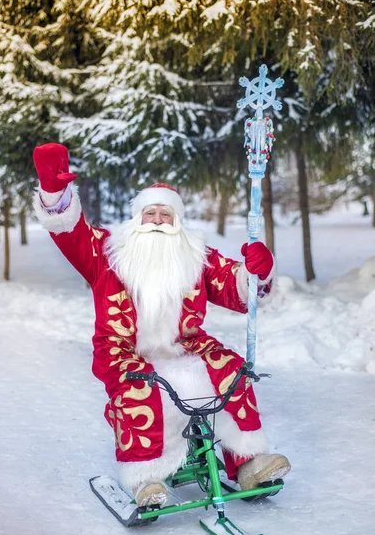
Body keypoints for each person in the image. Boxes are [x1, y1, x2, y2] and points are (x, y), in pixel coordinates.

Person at [33, 143, 291, 508]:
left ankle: (247, 461)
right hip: (124, 352)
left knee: (231, 371)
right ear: (137, 218)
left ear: (177, 221)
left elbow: (236, 287)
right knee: (140, 389)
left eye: (165, 214)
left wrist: (257, 271)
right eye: (149, 212)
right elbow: (69, 231)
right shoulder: (106, 251)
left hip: (185, 346)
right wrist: (54, 192)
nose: (156, 219)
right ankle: (145, 479)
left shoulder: (194, 254)